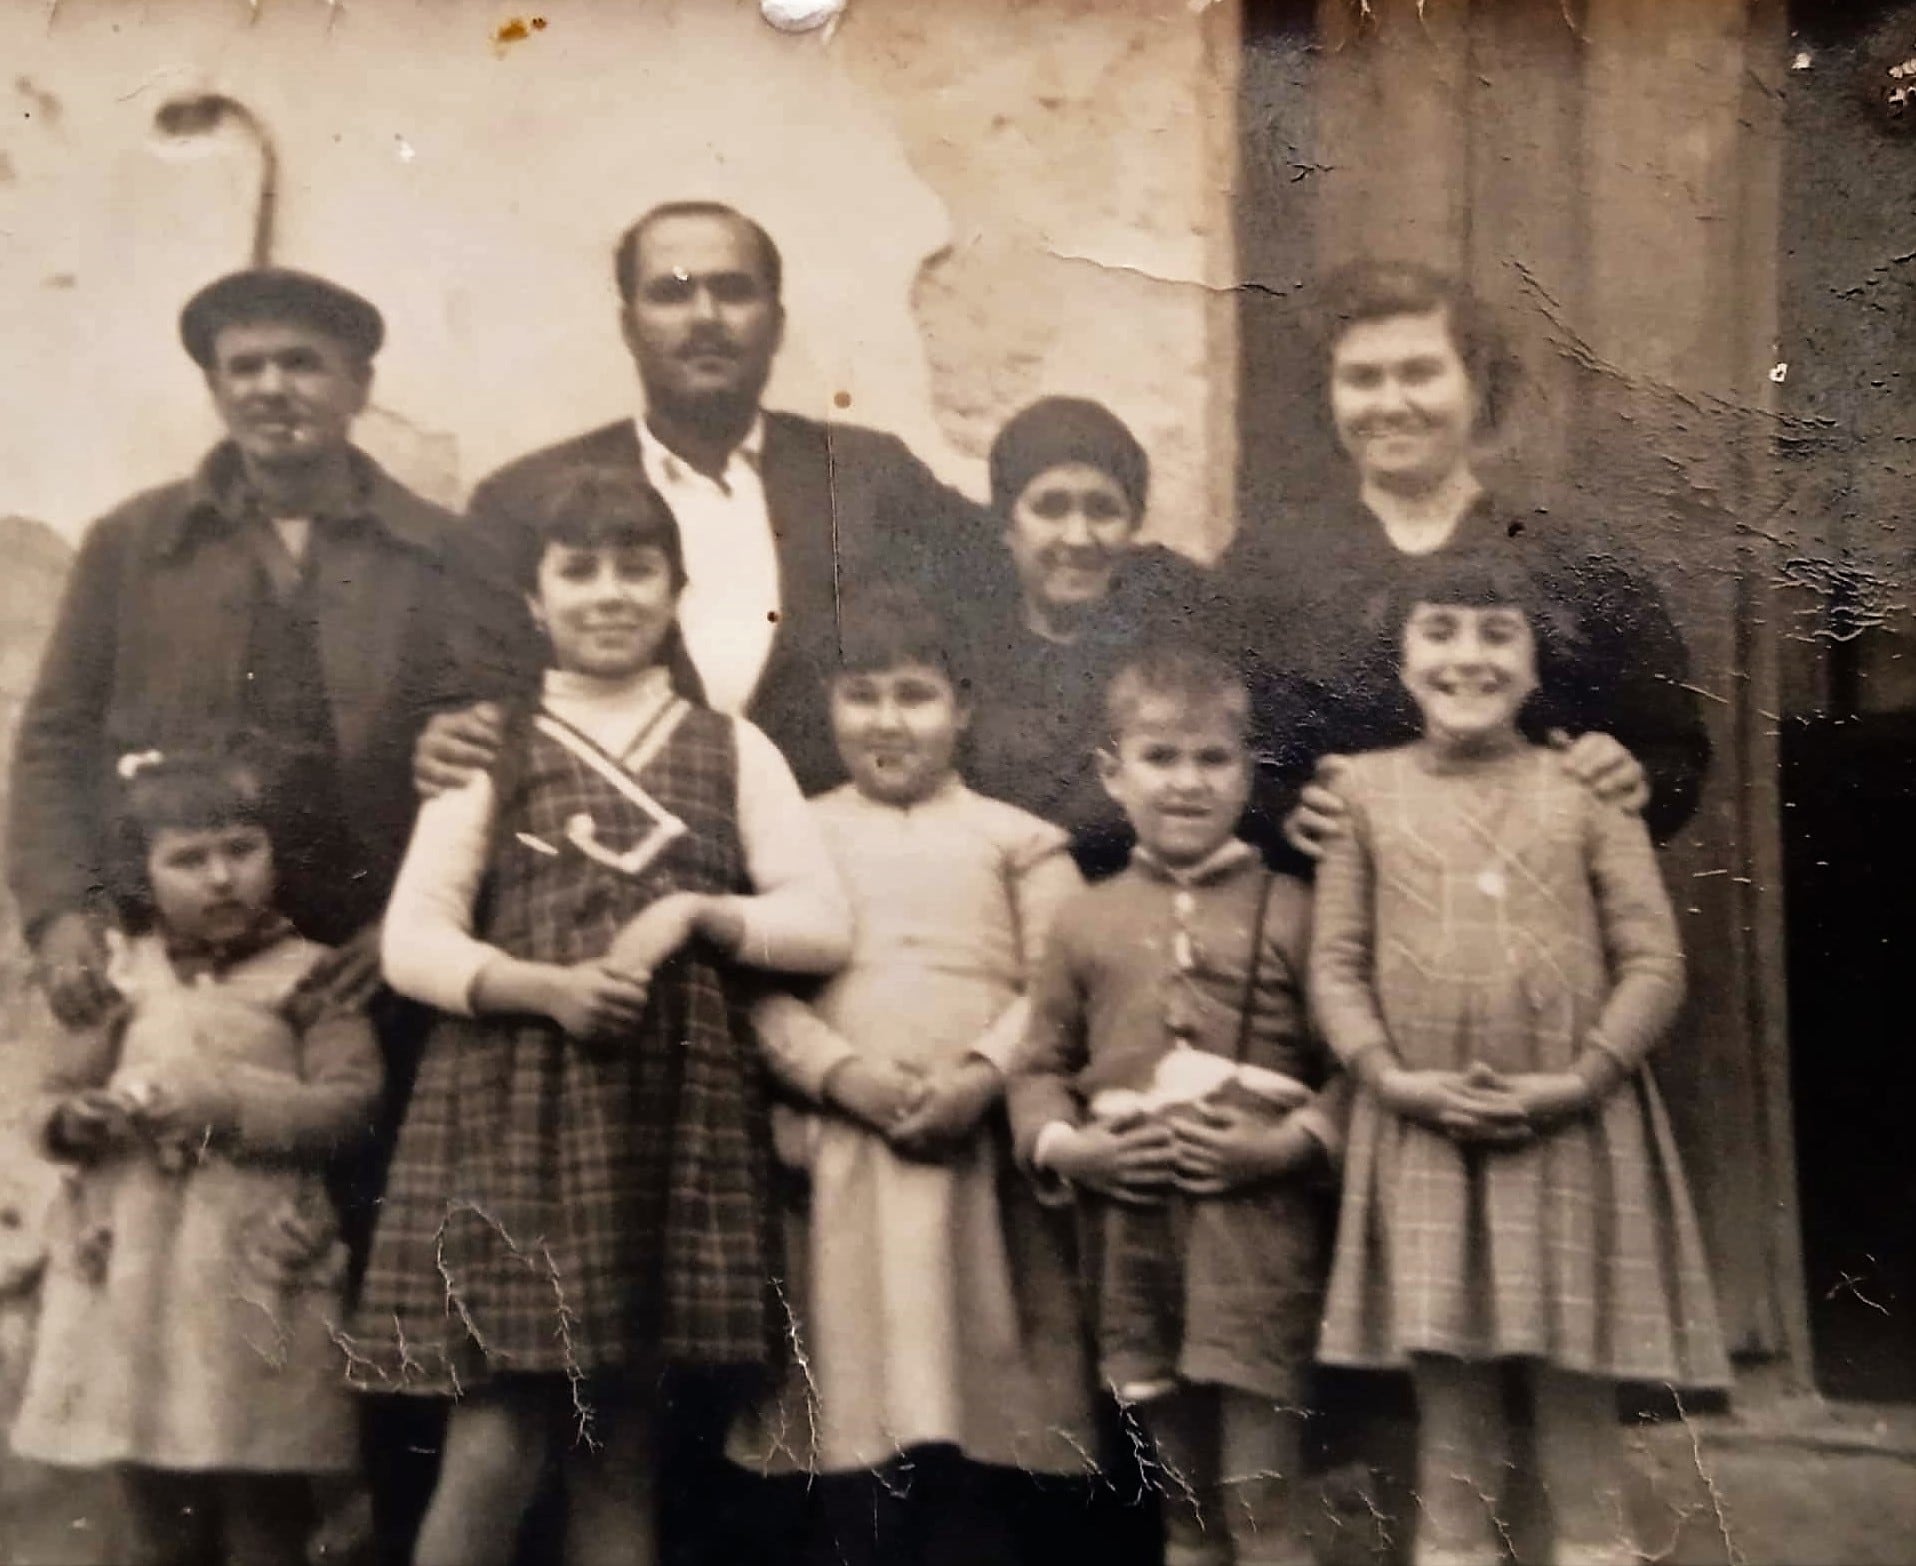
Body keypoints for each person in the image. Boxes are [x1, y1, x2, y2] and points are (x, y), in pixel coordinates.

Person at [3, 266, 461, 1563]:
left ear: (361, 386)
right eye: (247, 364)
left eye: (305, 363)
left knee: (353, 1306)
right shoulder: (137, 543)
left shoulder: (433, 551)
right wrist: (58, 923)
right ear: (214, 385)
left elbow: (488, 753)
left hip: (373, 985)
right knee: (170, 1317)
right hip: (182, 978)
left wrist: (413, 927)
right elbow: (53, 746)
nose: (275, 388)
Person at [346, 467, 851, 1566]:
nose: (608, 595)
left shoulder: (732, 749)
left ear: (676, 590)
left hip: (667, 1119)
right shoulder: (493, 749)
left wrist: (689, 912)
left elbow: (819, 923)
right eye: (577, 572)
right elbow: (413, 942)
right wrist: (544, 989)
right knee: (500, 1429)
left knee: (619, 1440)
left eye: (636, 569)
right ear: (534, 600)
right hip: (513, 1115)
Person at [1307, 553, 1731, 1566]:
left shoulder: (1585, 790)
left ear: (1537, 665)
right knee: (1448, 1418)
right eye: (1439, 632)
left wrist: (1581, 1076)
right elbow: (1332, 965)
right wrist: (1386, 1076)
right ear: (1400, 662)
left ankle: (1592, 1545)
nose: (1467, 656)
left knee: (1575, 1407)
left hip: (1570, 1135)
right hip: (1419, 1136)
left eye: (1497, 634)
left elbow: (1650, 961)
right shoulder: (1360, 794)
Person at [730, 587, 1095, 1565]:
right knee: (856, 1417)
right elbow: (755, 997)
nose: (888, 721)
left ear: (962, 707)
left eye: (915, 695)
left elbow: (1060, 987)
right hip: (847, 1152)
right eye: (861, 695)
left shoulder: (1020, 840)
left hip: (978, 1159)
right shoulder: (788, 839)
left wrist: (982, 1073)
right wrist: (836, 1073)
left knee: (985, 1421)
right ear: (827, 706)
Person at [424, 200, 986, 800]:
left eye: (735, 291)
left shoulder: (868, 476)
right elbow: (474, 693)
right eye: (672, 293)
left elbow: (997, 605)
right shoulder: (524, 501)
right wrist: (454, 733)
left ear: (776, 322)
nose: (706, 317)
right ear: (629, 326)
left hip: (842, 855)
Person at [1009, 645, 1344, 1566]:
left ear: (1250, 772)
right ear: (1113, 775)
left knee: (1263, 1508)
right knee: (1185, 1512)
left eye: (1213, 759)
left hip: (1257, 1233)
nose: (1187, 783)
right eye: (1161, 758)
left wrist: (1289, 1147)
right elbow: (1039, 1063)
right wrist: (1070, 1150)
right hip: (1132, 1232)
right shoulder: (1084, 918)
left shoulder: (1298, 909)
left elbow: (1355, 1067)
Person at [11, 747, 382, 1566]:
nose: (221, 878)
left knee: (262, 1499)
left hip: (253, 1270)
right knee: (152, 1501)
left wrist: (229, 1106)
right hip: (136, 1272)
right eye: (189, 859)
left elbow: (351, 1105)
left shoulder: (313, 977)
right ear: (142, 875)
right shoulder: (122, 979)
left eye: (241, 850)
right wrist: (81, 1118)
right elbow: (43, 1105)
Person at [1219, 260, 1710, 864]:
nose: (1391, 404)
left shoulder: (1575, 555)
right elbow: (1210, 742)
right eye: (1362, 379)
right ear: (1330, 395)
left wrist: (1631, 774)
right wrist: (1281, 808)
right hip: (1337, 907)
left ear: (1475, 385)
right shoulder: (1268, 563)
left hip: (1531, 907)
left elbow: (1673, 752)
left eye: (1420, 373)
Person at [961, 396, 1214, 878]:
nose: (1077, 537)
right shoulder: (968, 649)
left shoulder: (1181, 636)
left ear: (1134, 524)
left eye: (1103, 510)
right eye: (1050, 508)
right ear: (1005, 524)